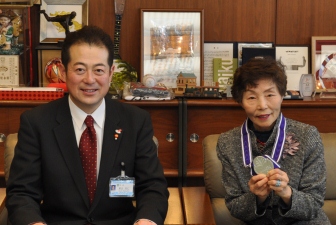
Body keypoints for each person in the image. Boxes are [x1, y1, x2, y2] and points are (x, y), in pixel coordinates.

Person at [6, 25, 169, 225]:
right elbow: (22, 193)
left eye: (98, 70)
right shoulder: (37, 122)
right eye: (80, 69)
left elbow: (152, 187)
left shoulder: (135, 121)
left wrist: (146, 220)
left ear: (110, 73)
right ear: (64, 73)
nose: (89, 79)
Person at [216, 57, 330, 224]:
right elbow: (234, 206)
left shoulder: (307, 135)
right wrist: (258, 198)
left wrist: (287, 193)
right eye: (252, 97)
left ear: (283, 95)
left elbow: (314, 204)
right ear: (241, 101)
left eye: (270, 94)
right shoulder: (228, 143)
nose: (262, 105)